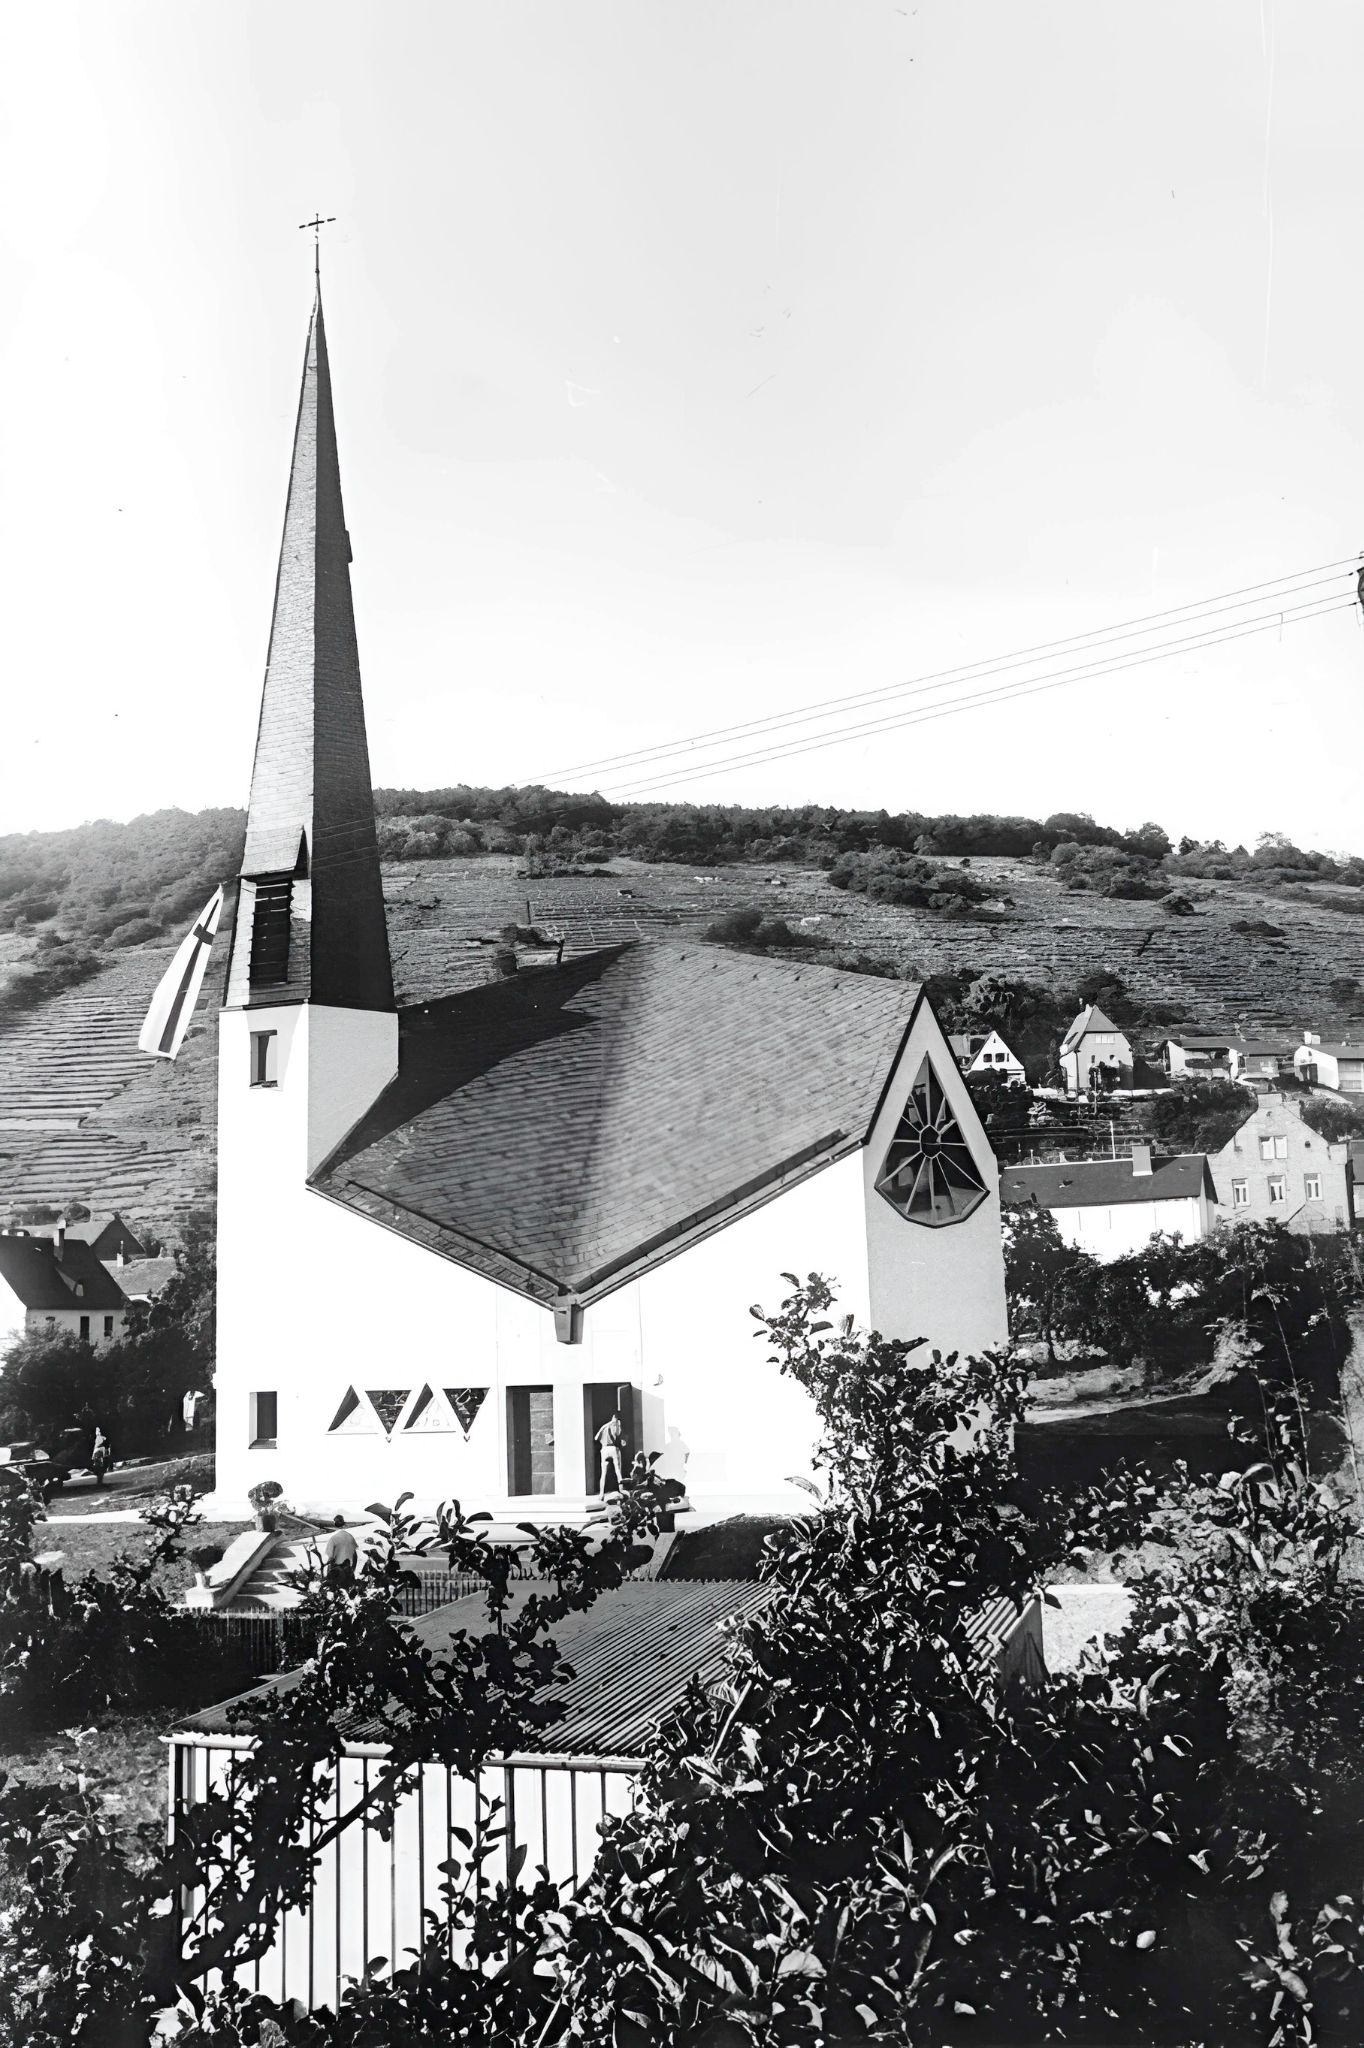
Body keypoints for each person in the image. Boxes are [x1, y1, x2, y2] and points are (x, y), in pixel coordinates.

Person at [321, 1514, 358, 1582]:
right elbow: (355, 1554)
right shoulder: (350, 1536)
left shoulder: (333, 1538)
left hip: (336, 1570)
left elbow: (330, 1556)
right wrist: (353, 1569)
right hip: (349, 1569)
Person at [595, 1411, 624, 1495]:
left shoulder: (604, 1427)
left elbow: (596, 1438)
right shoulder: (613, 1427)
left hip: (604, 1449)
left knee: (603, 1473)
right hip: (612, 1448)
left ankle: (601, 1493)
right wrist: (618, 1425)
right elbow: (618, 1433)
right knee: (618, 1471)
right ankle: (621, 1490)